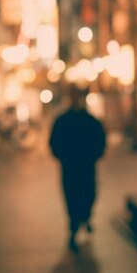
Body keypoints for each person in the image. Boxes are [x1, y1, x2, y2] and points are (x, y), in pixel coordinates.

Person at [49, 86, 106, 250]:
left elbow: (100, 140)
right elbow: (54, 143)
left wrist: (94, 155)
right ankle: (75, 226)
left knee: (87, 194)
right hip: (72, 166)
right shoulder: (65, 120)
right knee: (73, 197)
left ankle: (85, 217)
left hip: (83, 165)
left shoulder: (88, 120)